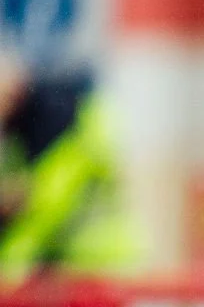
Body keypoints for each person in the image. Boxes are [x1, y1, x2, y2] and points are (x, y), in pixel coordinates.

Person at [0, 54, 140, 285]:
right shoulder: (27, 132)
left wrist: (9, 267)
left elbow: (43, 211)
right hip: (74, 273)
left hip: (98, 272)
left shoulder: (59, 128)